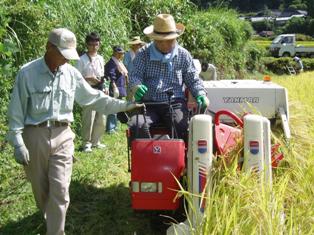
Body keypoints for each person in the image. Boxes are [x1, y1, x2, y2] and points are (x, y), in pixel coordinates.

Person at [7, 28, 142, 235]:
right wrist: (17, 142)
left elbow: (95, 99)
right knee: (41, 192)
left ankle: (55, 231)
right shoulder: (27, 73)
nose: (65, 60)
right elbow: (16, 112)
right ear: (48, 48)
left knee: (60, 191)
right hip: (34, 136)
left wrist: (125, 106)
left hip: (63, 136)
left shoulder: (70, 74)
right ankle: (51, 220)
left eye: (68, 56)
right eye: (61, 54)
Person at [128, 14, 209, 141]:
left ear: (175, 38)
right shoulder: (143, 53)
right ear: (154, 39)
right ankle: (149, 157)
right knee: (136, 125)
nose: (165, 45)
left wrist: (200, 93)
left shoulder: (183, 55)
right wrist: (136, 86)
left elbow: (192, 79)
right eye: (160, 41)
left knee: (181, 125)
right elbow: (134, 75)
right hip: (148, 104)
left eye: (169, 40)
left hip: (174, 103)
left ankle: (180, 159)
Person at [75, 32, 106, 152]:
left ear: (99, 44)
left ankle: (96, 141)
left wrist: (105, 86)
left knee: (101, 117)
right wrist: (89, 78)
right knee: (89, 117)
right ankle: (86, 143)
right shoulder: (81, 59)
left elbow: (103, 75)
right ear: (87, 45)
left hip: (100, 89)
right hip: (87, 90)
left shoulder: (100, 58)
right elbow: (77, 77)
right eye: (91, 44)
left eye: (96, 44)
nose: (94, 47)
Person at [105, 45, 128, 134]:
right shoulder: (111, 63)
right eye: (119, 53)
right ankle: (110, 128)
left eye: (122, 53)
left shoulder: (119, 62)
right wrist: (114, 87)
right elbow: (110, 76)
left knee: (118, 108)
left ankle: (115, 126)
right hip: (114, 89)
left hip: (120, 88)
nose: (121, 55)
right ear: (115, 53)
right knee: (112, 109)